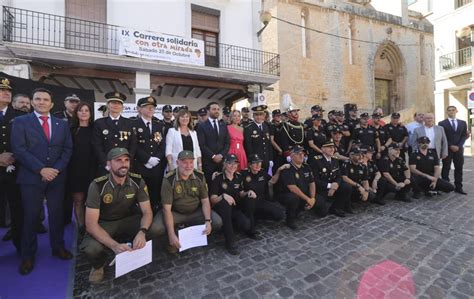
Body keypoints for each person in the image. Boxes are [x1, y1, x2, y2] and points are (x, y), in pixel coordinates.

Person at [11, 87, 73, 275]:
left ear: (52, 104)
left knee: (56, 216)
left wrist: (56, 170)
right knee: (30, 217)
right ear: (32, 102)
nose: (41, 102)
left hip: (56, 177)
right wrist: (41, 169)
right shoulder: (20, 122)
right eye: (37, 99)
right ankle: (28, 256)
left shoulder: (61, 124)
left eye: (45, 99)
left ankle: (58, 247)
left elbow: (67, 149)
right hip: (31, 177)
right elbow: (19, 149)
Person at [81, 148, 160, 284]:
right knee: (91, 248)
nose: (123, 164)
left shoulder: (137, 181)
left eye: (126, 160)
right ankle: (98, 265)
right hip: (105, 223)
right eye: (118, 160)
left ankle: (135, 246)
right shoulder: (97, 185)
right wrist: (114, 245)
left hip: (128, 219)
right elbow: (91, 225)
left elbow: (147, 211)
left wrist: (142, 232)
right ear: (109, 164)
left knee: (157, 227)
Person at [153, 150, 222, 253]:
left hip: (195, 212)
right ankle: (174, 234)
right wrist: (171, 235)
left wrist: (207, 221)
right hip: (175, 213)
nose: (188, 166)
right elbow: (166, 210)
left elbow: (205, 201)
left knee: (217, 222)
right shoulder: (169, 179)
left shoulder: (199, 176)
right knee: (155, 229)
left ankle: (192, 233)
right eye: (184, 162)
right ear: (177, 163)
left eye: (191, 162)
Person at [0, 78, 25, 252]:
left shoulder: (18, 117)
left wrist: (15, 156)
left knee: (17, 209)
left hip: (13, 170)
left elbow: (27, 142)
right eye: (2, 90)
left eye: (8, 90)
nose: (6, 92)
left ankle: (19, 245)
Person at [210, 154, 251, 255]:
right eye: (230, 163)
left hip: (234, 209)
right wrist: (223, 196)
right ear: (225, 164)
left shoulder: (239, 177)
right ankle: (230, 242)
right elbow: (212, 199)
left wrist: (247, 193)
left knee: (246, 225)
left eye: (235, 163)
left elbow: (241, 192)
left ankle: (230, 225)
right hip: (221, 209)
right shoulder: (218, 178)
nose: (233, 166)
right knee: (224, 204)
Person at [133, 96, 166, 212]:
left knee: (155, 192)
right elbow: (134, 145)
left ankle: (155, 212)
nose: (150, 109)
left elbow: (162, 144)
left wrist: (156, 158)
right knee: (141, 192)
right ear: (139, 109)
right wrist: (147, 159)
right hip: (140, 165)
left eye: (152, 107)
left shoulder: (159, 124)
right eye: (147, 107)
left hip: (156, 165)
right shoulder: (134, 124)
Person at [240, 154, 285, 237]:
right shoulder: (243, 174)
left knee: (279, 215)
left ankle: (257, 216)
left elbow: (272, 181)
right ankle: (251, 231)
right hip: (249, 203)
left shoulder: (262, 173)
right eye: (255, 163)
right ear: (249, 165)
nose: (258, 165)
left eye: (259, 162)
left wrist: (279, 170)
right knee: (249, 202)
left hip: (261, 201)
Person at [92, 92, 137, 175]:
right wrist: (106, 163)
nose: (116, 105)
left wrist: (127, 161)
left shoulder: (130, 123)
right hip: (106, 166)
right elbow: (97, 145)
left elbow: (133, 145)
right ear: (108, 105)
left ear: (122, 107)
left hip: (124, 166)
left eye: (119, 103)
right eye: (113, 103)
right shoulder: (99, 123)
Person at [272, 146, 316, 229]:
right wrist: (308, 199)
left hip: (302, 193)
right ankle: (290, 220)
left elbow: (312, 183)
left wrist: (313, 198)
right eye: (299, 154)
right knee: (293, 198)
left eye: (303, 154)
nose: (302, 156)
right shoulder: (287, 168)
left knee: (322, 208)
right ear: (292, 156)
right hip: (285, 194)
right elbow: (292, 188)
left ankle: (299, 210)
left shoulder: (306, 167)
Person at [68, 102, 96, 231]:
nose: (84, 112)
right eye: (81, 110)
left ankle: (92, 227)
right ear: (76, 113)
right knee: (78, 200)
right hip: (75, 170)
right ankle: (81, 227)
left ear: (90, 113)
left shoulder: (96, 129)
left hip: (93, 170)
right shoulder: (70, 130)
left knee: (92, 201)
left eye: (86, 110)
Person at [310, 140, 352, 217]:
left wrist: (335, 185)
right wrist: (330, 186)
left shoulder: (335, 159)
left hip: (333, 186)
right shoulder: (316, 161)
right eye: (329, 147)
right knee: (322, 213)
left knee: (347, 187)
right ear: (322, 149)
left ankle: (336, 208)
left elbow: (339, 175)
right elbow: (315, 180)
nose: (332, 149)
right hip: (321, 189)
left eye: (333, 147)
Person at [197, 102, 230, 186]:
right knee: (209, 185)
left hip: (222, 162)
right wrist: (213, 156)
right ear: (208, 111)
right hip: (208, 162)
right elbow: (202, 144)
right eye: (214, 109)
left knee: (222, 185)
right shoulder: (201, 126)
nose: (217, 111)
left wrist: (221, 155)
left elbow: (227, 143)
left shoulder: (223, 125)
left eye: (218, 109)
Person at [438, 106, 469, 195]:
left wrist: (459, 146)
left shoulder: (463, 123)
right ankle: (445, 187)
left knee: (459, 168)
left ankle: (458, 187)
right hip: (447, 149)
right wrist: (451, 145)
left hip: (459, 150)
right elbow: (442, 137)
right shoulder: (442, 123)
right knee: (446, 167)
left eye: (453, 110)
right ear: (447, 112)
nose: (451, 111)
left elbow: (464, 135)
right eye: (449, 110)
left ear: (456, 111)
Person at [244, 105, 273, 171]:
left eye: (261, 114)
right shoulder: (248, 128)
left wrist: (270, 159)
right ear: (253, 116)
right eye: (256, 115)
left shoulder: (266, 126)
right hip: (255, 161)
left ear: (264, 115)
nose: (259, 117)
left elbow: (268, 144)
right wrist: (252, 161)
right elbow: (248, 146)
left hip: (266, 159)